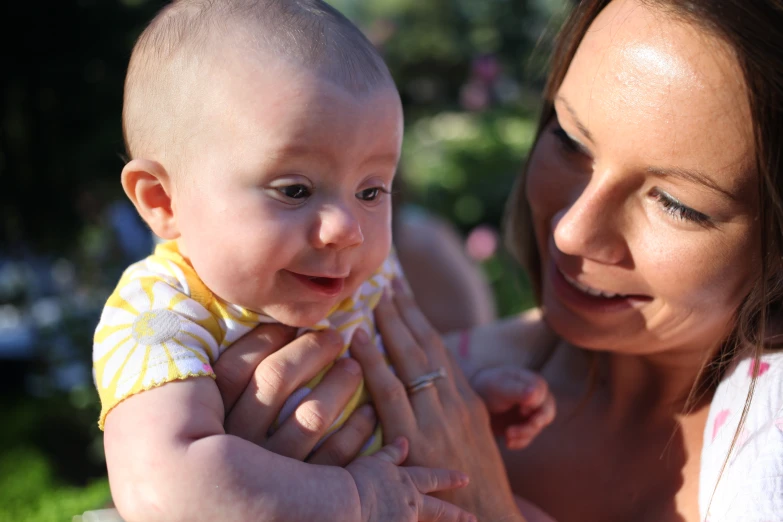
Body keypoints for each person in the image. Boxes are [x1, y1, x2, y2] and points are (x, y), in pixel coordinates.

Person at [214, 0, 783, 520]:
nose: (571, 232)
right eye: (569, 141)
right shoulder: (432, 388)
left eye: (676, 204)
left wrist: (487, 507)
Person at [92, 1, 553, 521]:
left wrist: (470, 394)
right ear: (163, 201)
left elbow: (386, 366)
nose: (348, 229)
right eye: (295, 189)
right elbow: (167, 492)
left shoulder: (354, 273)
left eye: (372, 190)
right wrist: (358, 498)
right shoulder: (162, 315)